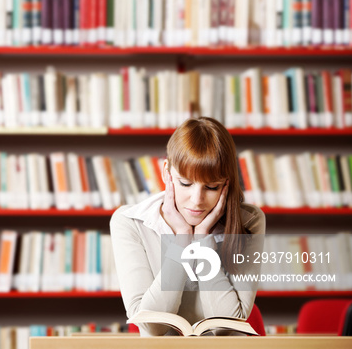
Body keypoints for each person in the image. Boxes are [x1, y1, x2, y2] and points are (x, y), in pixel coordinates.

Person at [110, 116, 266, 337]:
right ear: (167, 173)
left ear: (226, 184)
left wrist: (203, 243)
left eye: (211, 187)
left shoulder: (249, 221)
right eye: (185, 183)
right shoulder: (130, 222)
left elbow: (227, 326)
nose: (197, 200)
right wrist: (182, 241)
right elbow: (152, 327)